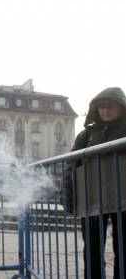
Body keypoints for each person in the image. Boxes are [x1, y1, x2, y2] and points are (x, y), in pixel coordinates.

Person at [66, 87, 126, 279]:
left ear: (121, 107)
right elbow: (71, 166)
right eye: (101, 107)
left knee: (124, 249)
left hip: (124, 200)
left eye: (109, 106)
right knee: (92, 249)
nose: (105, 111)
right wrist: (69, 196)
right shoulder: (86, 136)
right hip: (92, 198)